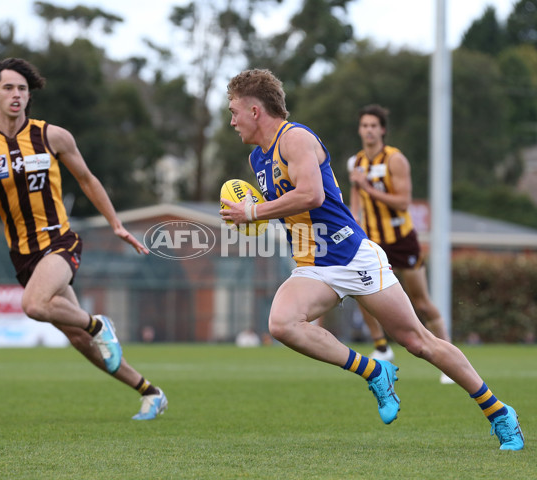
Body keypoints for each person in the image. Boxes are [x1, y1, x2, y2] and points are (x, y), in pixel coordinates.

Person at [220, 68, 524, 450]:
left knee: (418, 342)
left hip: (352, 256)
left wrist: (253, 213)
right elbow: (287, 207)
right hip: (314, 266)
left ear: (254, 110)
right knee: (281, 324)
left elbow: (312, 195)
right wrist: (255, 210)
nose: (231, 121)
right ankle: (374, 369)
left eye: (233, 111)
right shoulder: (256, 160)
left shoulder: (294, 138)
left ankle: (499, 412)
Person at [0, 57, 167, 421]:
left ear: (29, 96)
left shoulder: (52, 136)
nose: (16, 95)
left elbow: (88, 179)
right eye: (9, 88)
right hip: (23, 255)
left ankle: (99, 324)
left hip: (59, 241)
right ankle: (150, 391)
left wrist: (116, 224)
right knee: (78, 340)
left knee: (34, 305)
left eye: (22, 89)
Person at [348, 104, 453, 384]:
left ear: (382, 130)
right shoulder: (356, 162)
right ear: (359, 130)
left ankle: (448, 361)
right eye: (364, 125)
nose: (368, 130)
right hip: (372, 240)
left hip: (402, 240)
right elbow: (354, 203)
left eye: (373, 125)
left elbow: (404, 202)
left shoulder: (395, 160)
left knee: (421, 302)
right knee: (359, 290)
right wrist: (352, 225)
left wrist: (368, 187)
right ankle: (381, 346)